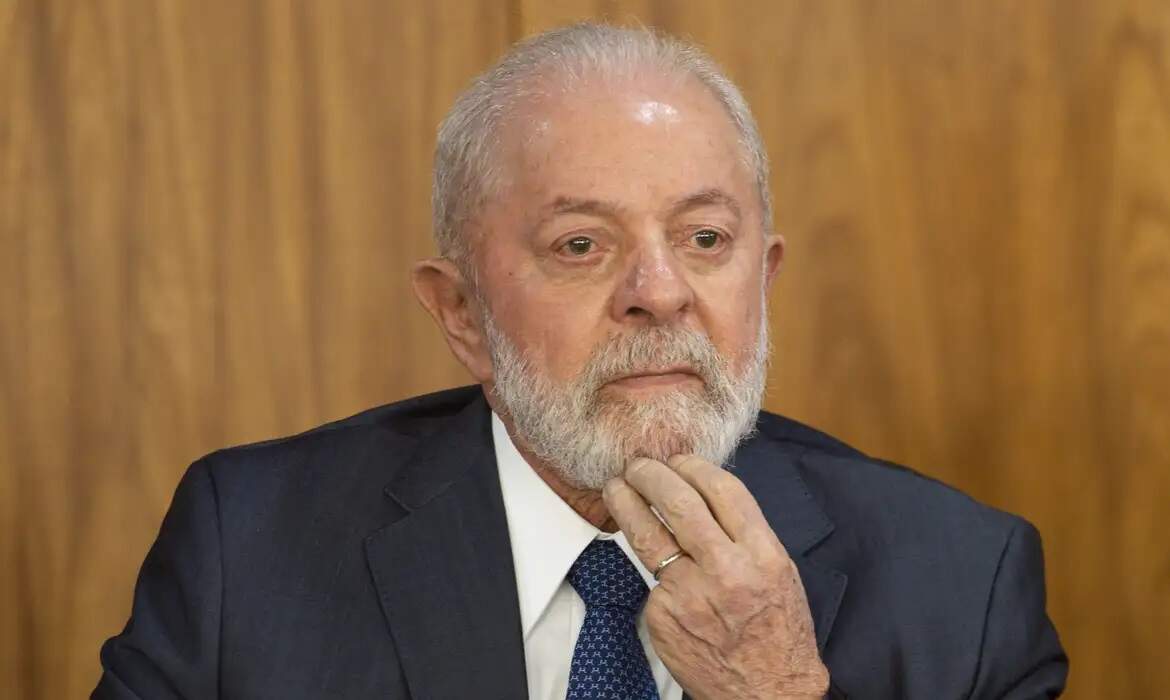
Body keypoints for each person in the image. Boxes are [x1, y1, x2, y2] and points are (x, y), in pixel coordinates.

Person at [94, 22, 1067, 700]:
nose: (660, 291)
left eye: (705, 238)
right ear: (462, 313)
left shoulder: (962, 584)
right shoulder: (249, 549)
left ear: (764, 279)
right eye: (581, 245)